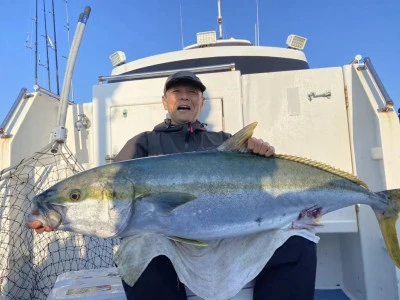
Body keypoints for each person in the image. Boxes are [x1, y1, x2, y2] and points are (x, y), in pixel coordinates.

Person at [28, 71, 318, 300]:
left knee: (298, 242)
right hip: (167, 244)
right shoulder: (142, 143)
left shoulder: (223, 142)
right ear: (165, 102)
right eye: (177, 92)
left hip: (227, 241)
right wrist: (59, 218)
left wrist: (262, 152)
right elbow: (110, 201)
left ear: (201, 104)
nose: (185, 97)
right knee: (140, 252)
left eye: (193, 93)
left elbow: (262, 183)